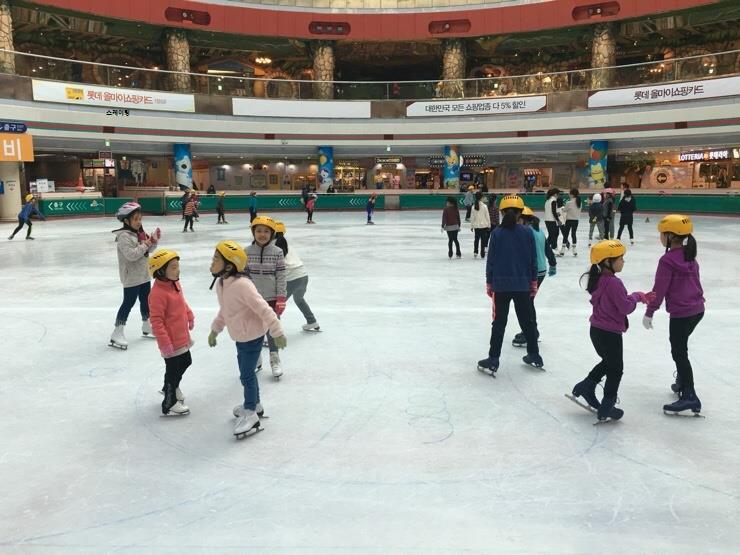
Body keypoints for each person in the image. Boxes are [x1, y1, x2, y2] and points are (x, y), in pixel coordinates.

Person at [207, 240, 287, 438]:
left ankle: (250, 413)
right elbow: (226, 310)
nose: (212, 262)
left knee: (246, 375)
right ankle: (255, 404)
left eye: (216, 259)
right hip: (240, 337)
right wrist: (215, 329)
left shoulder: (243, 285)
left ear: (229, 265)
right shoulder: (222, 283)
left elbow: (264, 309)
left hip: (252, 336)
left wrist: (277, 332)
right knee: (247, 373)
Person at [569, 241, 654, 422]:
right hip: (609, 334)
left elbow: (617, 302)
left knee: (609, 363)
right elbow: (625, 307)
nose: (623, 261)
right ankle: (607, 405)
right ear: (608, 261)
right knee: (616, 368)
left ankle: (586, 386)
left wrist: (636, 297)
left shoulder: (599, 279)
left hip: (596, 330)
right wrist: (637, 296)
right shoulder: (614, 283)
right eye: (620, 258)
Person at [643, 215, 705, 415]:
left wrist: (650, 312)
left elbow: (659, 289)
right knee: (681, 347)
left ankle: (689, 395)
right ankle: (682, 381)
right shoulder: (690, 255)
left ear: (670, 236)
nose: (660, 237)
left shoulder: (667, 260)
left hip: (681, 313)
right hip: (698, 310)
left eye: (662, 234)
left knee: (679, 352)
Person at [477, 195, 544, 375]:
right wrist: (533, 282)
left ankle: (493, 359)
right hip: (522, 285)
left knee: (499, 323)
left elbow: (491, 260)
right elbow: (533, 260)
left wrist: (489, 283)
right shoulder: (527, 232)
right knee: (527, 322)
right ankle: (534, 355)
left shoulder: (497, 233)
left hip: (501, 286)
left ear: (502, 212)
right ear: (520, 213)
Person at [148, 249, 193, 416]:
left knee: (186, 361)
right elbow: (156, 321)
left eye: (178, 266)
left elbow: (182, 302)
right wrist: (164, 343)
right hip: (170, 341)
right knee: (173, 370)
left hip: (181, 336)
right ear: (160, 271)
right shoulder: (157, 294)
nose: (178, 270)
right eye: (173, 267)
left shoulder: (175, 284)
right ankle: (169, 401)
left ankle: (171, 387)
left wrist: (189, 315)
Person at [109, 202, 159, 350]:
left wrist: (153, 241)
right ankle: (117, 332)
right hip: (131, 277)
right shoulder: (124, 237)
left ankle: (146, 324)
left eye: (140, 219)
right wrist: (146, 244)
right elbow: (131, 255)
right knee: (128, 303)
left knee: (146, 300)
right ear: (126, 221)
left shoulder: (139, 233)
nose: (139, 222)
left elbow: (148, 250)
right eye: (136, 219)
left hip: (143, 274)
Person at [246, 216, 287, 378]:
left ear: (272, 234)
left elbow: (281, 276)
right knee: (254, 330)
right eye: (259, 231)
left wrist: (281, 298)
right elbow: (244, 277)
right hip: (253, 299)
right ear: (253, 232)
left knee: (272, 331)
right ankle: (256, 358)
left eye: (266, 231)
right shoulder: (246, 252)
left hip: (271, 298)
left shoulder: (277, 252)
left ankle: (274, 359)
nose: (262, 234)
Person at [511, 207, 557, 348]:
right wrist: (553, 264)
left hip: (532, 272)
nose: (516, 222)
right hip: (540, 271)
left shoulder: (526, 232)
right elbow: (547, 249)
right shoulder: (538, 230)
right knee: (528, 302)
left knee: (526, 304)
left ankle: (530, 333)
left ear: (523, 219)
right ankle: (530, 331)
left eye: (518, 219)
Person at [274, 221, 320, 331]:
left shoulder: (273, 246)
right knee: (299, 299)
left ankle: (275, 332)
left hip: (291, 278)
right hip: (303, 276)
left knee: (276, 305)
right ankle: (312, 321)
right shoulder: (286, 244)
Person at [560, 188, 581, 256]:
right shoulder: (579, 203)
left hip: (569, 220)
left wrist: (562, 208)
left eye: (569, 193)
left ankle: (563, 249)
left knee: (566, 234)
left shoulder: (569, 203)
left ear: (572, 194)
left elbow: (564, 210)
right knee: (573, 234)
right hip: (576, 220)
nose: (569, 195)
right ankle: (574, 250)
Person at [470, 191, 491, 259]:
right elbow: (487, 216)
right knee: (483, 240)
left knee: (476, 239)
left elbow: (472, 217)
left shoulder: (473, 206)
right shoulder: (484, 206)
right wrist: (489, 225)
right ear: (481, 197)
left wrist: (472, 226)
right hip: (484, 226)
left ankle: (475, 252)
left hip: (476, 226)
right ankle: (482, 253)